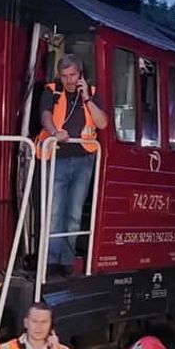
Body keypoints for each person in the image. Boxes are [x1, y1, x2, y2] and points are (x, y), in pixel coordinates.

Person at [36, 54, 109, 276]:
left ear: (81, 75)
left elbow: (102, 123)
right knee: (55, 211)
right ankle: (50, 262)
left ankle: (67, 261)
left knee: (75, 213)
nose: (68, 80)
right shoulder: (52, 90)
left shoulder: (93, 93)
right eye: (65, 75)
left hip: (84, 160)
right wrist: (54, 132)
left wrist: (86, 97)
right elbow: (45, 115)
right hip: (56, 156)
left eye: (73, 75)